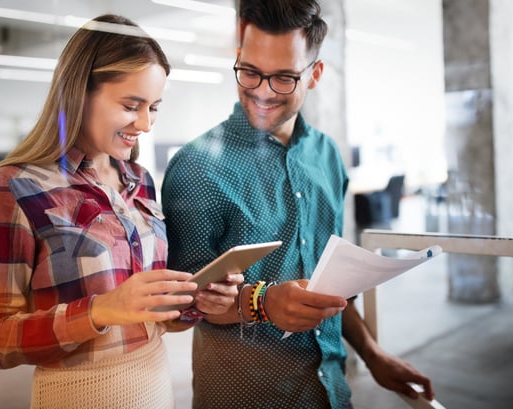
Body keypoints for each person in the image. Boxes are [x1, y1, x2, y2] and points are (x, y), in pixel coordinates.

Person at [161, 1, 435, 408]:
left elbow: (332, 283)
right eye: (250, 71)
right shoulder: (196, 168)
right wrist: (263, 303)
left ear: (316, 74)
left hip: (331, 393)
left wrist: (373, 356)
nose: (263, 92)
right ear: (238, 58)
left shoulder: (326, 155)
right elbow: (183, 307)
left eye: (285, 78)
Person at [0, 14, 242, 409]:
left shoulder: (139, 179)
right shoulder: (13, 187)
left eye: (155, 107)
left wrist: (196, 304)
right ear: (80, 93)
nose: (145, 124)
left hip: (157, 390)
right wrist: (100, 310)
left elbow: (154, 318)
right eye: (132, 105)